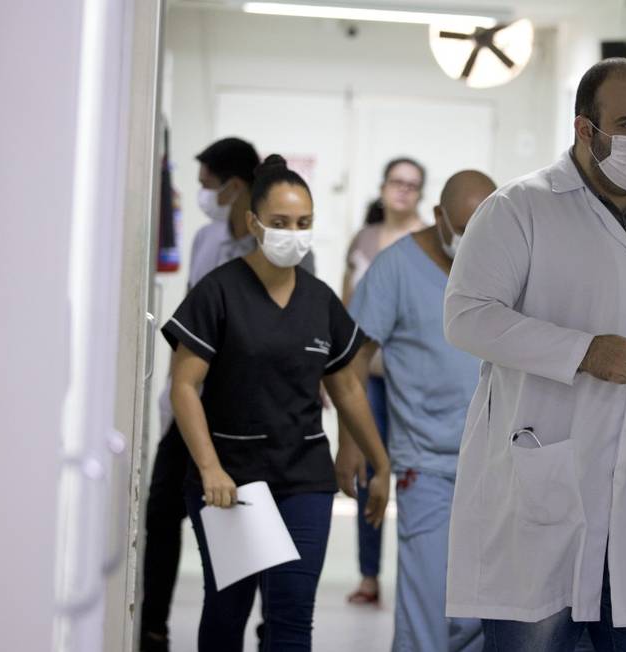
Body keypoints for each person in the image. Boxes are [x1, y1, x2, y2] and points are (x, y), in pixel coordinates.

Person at [442, 58, 626, 651]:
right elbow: (466, 316)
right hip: (545, 485)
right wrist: (583, 352)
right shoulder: (518, 209)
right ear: (585, 128)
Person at [163, 154, 390, 652]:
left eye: (304, 223)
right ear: (254, 223)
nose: (294, 232)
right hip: (232, 479)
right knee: (229, 612)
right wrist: (210, 469)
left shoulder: (319, 299)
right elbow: (183, 385)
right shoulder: (218, 293)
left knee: (291, 617)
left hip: (302, 478)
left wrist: (378, 460)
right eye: (281, 222)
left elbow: (346, 386)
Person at [139, 137, 314, 652]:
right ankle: (153, 625)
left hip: (259, 418)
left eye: (207, 186)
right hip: (195, 411)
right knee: (165, 514)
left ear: (239, 189)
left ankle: (270, 634)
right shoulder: (206, 240)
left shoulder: (291, 258)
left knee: (265, 552)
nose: (204, 196)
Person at [336, 170, 495, 651]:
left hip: (499, 465)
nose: (474, 243)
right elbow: (354, 359)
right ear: (439, 217)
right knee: (426, 604)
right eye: (465, 229)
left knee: (483, 609)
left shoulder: (504, 264)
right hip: (427, 464)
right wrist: (352, 445)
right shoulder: (395, 269)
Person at [341, 157, 427, 606]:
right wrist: (334, 374)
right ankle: (369, 575)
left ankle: (417, 575)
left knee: (416, 473)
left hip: (414, 382)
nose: (403, 191)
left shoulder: (427, 241)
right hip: (369, 381)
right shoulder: (365, 240)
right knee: (367, 472)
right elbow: (345, 308)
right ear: (383, 187)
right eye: (396, 182)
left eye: (412, 185)